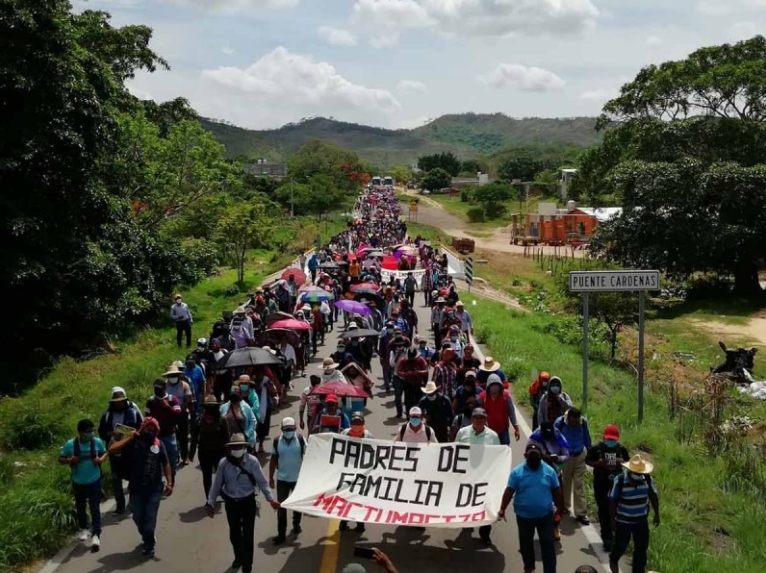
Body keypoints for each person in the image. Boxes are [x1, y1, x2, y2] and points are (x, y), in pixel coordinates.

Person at [205, 433, 280, 573]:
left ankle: (247, 566)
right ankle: (238, 557)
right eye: (234, 446)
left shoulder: (253, 462)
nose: (237, 448)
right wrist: (211, 503)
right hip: (231, 503)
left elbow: (262, 483)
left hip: (248, 502)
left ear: (245, 447)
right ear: (230, 448)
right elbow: (216, 485)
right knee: (234, 535)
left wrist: (271, 499)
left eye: (239, 446)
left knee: (248, 536)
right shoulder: (224, 463)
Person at [108, 417, 173, 557]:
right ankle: (147, 536)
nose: (150, 431)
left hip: (154, 489)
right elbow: (112, 449)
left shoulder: (159, 444)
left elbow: (166, 464)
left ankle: (149, 546)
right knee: (137, 516)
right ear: (142, 429)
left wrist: (169, 482)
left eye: (153, 430)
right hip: (136, 489)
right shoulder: (133, 442)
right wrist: (129, 439)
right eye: (147, 429)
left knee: (149, 519)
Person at [498, 443, 563, 573]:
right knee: (526, 545)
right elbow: (509, 491)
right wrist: (502, 509)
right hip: (524, 516)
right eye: (530, 455)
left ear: (541, 457)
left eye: (536, 456)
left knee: (548, 545)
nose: (533, 458)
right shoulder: (517, 472)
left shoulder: (549, 471)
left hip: (545, 515)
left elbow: (557, 491)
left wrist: (560, 510)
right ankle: (529, 567)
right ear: (525, 456)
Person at [58, 419, 108, 552]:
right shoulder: (70, 444)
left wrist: (101, 459)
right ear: (80, 432)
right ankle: (84, 528)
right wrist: (70, 460)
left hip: (94, 480)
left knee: (94, 507)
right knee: (80, 506)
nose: (90, 434)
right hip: (78, 481)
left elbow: (104, 453)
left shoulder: (96, 442)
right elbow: (61, 459)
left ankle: (96, 534)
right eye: (87, 432)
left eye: (92, 431)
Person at [455, 408, 500, 544]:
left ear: (485, 419)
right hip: (467, 476)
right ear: (472, 419)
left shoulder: (493, 436)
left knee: (485, 504)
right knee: (467, 501)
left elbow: (497, 456)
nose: (479, 420)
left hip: (485, 477)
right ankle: (467, 522)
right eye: (476, 418)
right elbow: (455, 451)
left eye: (482, 418)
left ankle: (485, 533)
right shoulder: (462, 433)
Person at [609, 455, 660, 573]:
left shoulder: (647, 479)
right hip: (623, 522)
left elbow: (653, 496)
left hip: (641, 521)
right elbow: (612, 501)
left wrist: (657, 514)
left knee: (641, 551)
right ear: (630, 470)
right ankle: (613, 560)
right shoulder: (620, 480)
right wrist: (612, 521)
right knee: (621, 546)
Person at [586, 425, 630, 551]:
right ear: (604, 437)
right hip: (601, 484)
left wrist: (621, 462)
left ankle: (617, 535)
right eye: (609, 439)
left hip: (616, 485)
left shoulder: (622, 450)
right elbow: (587, 461)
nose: (611, 442)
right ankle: (607, 538)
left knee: (617, 511)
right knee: (603, 511)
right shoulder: (596, 449)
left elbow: (630, 464)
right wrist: (598, 463)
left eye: (613, 440)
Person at [529, 421, 571, 541]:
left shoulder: (559, 436)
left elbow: (566, 454)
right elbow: (528, 455)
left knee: (559, 503)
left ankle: (555, 527)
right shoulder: (534, 438)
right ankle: (541, 526)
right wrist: (541, 458)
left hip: (555, 473)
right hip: (539, 475)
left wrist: (556, 458)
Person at [269, 418, 306, 545]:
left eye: (291, 429)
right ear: (282, 429)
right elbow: (273, 459)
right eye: (286, 430)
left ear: (295, 429)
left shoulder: (300, 440)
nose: (289, 432)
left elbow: (308, 456)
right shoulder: (276, 441)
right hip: (282, 479)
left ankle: (296, 524)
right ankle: (281, 534)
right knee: (281, 507)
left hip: (298, 479)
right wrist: (270, 477)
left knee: (297, 505)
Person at [555, 407, 593, 524]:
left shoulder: (583, 422)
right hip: (566, 456)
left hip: (580, 455)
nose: (575, 423)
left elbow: (587, 437)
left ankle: (581, 513)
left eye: (577, 420)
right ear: (569, 417)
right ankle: (565, 506)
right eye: (573, 420)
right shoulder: (560, 422)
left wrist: (591, 452)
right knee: (566, 481)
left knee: (579, 484)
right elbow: (555, 438)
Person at [190, 395, 230, 499]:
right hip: (204, 453)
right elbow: (194, 437)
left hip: (219, 453)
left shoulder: (222, 420)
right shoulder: (199, 420)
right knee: (206, 477)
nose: (210, 409)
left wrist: (229, 453)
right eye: (208, 406)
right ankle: (209, 498)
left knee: (221, 476)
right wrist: (191, 453)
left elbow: (227, 437)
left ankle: (222, 492)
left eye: (212, 406)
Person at [339, 412, 372, 532]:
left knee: (359, 500)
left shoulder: (368, 436)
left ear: (363, 423)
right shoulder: (344, 434)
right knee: (345, 498)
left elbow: (374, 452)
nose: (356, 425)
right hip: (346, 472)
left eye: (359, 423)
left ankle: (360, 524)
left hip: (361, 473)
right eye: (354, 423)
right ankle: (343, 521)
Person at [145, 378, 182, 478]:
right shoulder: (150, 401)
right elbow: (147, 417)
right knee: (156, 460)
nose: (157, 390)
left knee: (171, 459)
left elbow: (178, 416)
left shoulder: (172, 399)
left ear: (165, 388)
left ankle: (171, 476)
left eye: (159, 388)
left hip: (169, 435)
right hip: (156, 436)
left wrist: (167, 407)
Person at [479, 374, 520, 445]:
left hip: (503, 429)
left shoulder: (506, 397)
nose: (494, 389)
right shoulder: (482, 397)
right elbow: (479, 415)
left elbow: (511, 413)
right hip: (488, 430)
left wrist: (516, 428)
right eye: (492, 385)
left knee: (505, 448)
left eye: (496, 385)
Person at [395, 347, 429, 418]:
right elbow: (398, 372)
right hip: (408, 384)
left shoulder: (421, 360)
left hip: (418, 384)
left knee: (419, 402)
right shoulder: (403, 360)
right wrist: (406, 373)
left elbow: (426, 371)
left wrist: (418, 372)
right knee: (408, 402)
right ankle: (408, 416)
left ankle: (419, 416)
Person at [220, 387, 257, 452]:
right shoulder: (223, 407)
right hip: (229, 441)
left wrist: (247, 434)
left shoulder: (246, 407)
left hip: (243, 440)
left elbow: (253, 421)